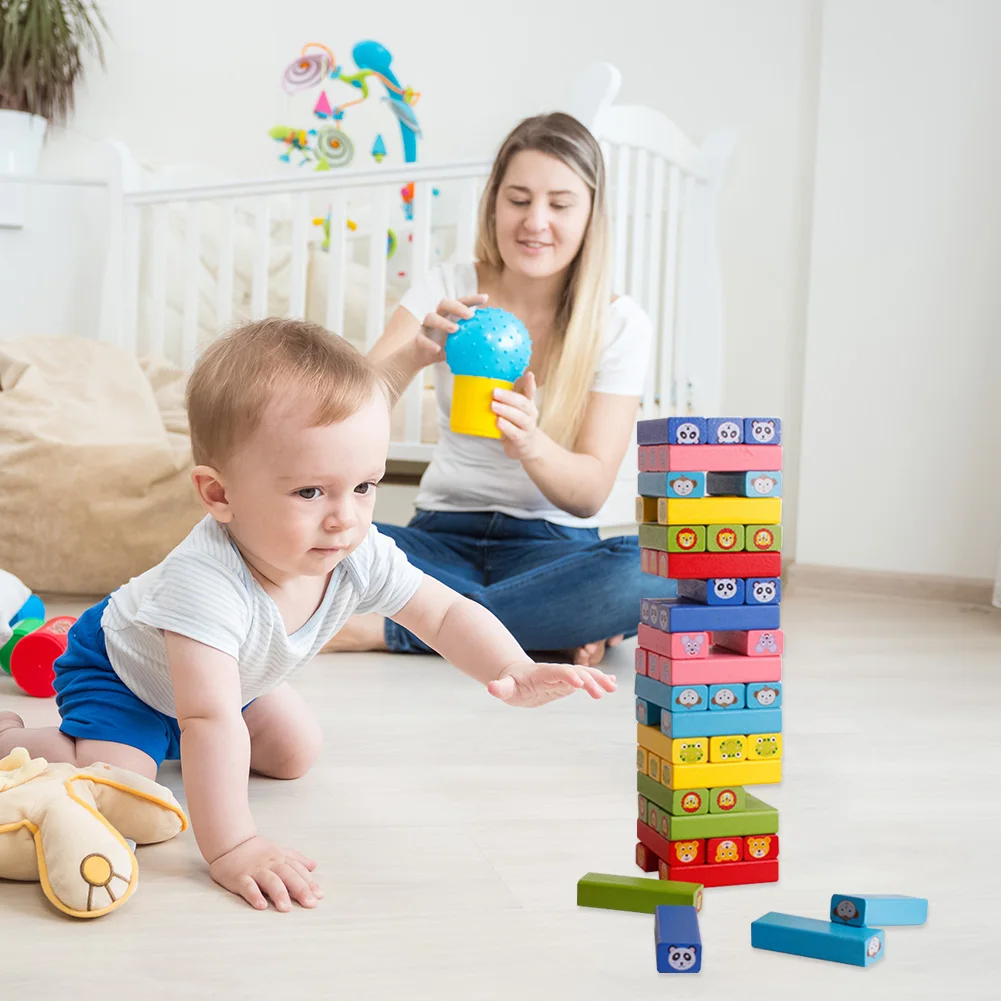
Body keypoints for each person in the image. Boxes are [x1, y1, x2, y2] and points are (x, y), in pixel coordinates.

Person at [0, 319, 615, 913]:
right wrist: (234, 845)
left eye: (365, 486)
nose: (345, 516)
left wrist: (511, 665)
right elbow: (208, 719)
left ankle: (165, 743)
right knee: (125, 783)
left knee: (294, 752)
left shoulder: (353, 550)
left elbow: (446, 612)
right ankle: (20, 738)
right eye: (310, 492)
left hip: (226, 683)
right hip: (124, 673)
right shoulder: (204, 584)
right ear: (219, 494)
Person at [326, 112, 676, 666]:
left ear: (590, 216)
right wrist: (412, 355)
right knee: (312, 541)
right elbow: (342, 420)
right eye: (518, 199)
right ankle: (536, 626)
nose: (536, 221)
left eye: (560, 204)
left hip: (552, 549)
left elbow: (587, 493)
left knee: (654, 570)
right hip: (439, 538)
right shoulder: (448, 287)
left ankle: (390, 629)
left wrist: (532, 445)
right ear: (493, 203)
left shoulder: (619, 323)